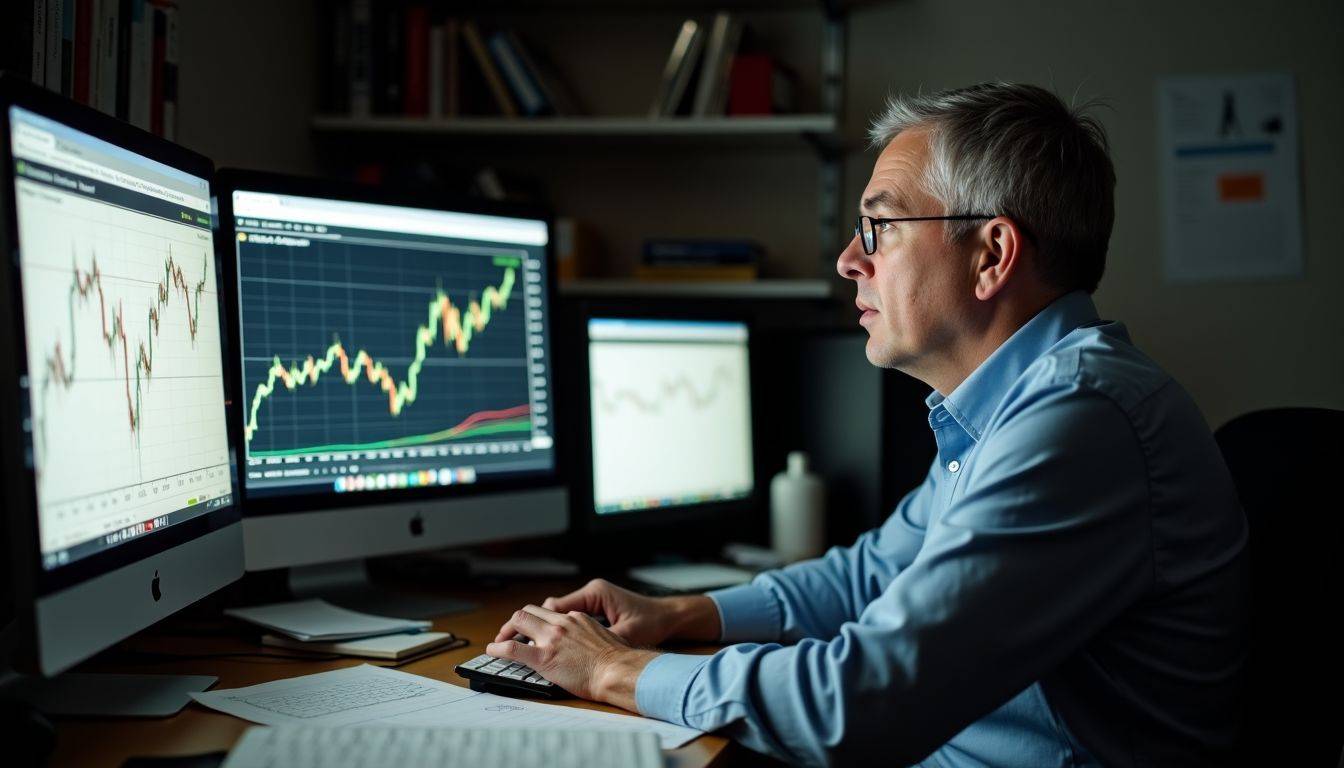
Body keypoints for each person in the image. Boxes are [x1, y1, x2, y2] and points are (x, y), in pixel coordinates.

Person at [486, 83, 1248, 767]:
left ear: (992, 255)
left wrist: (610, 668)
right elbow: (873, 574)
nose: (851, 259)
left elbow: (855, 706)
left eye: (880, 229)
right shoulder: (1010, 406)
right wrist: (683, 612)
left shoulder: (1080, 419)